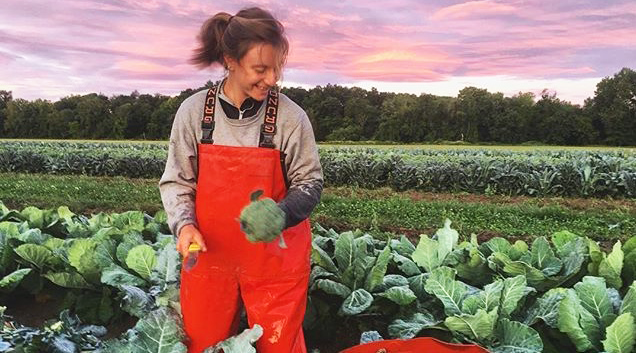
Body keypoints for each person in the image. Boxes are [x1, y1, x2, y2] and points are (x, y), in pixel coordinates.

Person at [158, 6, 323, 353]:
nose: (272, 79)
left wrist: (281, 213)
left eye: (277, 68)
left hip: (276, 264)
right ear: (230, 60)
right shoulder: (193, 112)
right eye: (260, 69)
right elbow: (177, 182)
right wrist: (184, 225)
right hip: (210, 257)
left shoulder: (291, 118)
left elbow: (310, 182)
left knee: (279, 345)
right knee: (201, 343)